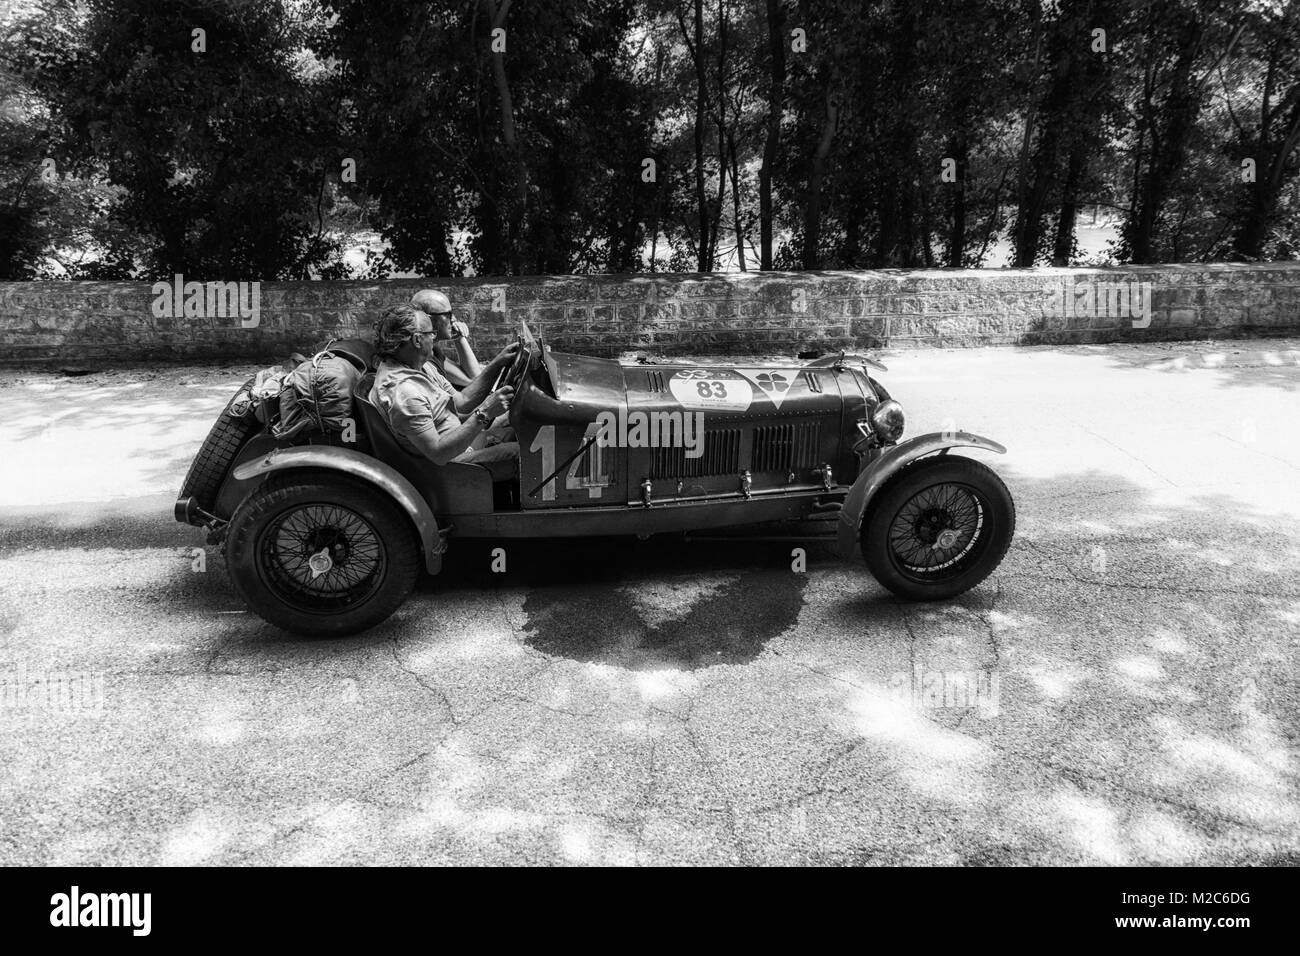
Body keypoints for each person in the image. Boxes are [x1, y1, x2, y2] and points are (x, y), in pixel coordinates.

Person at [369, 304, 520, 481]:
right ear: (417, 340)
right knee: (522, 451)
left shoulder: (422, 366)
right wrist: (485, 411)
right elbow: (438, 453)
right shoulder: (404, 393)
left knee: (518, 424)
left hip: (460, 440)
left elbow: (462, 400)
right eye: (431, 333)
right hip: (449, 464)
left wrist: (498, 363)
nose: (434, 338)